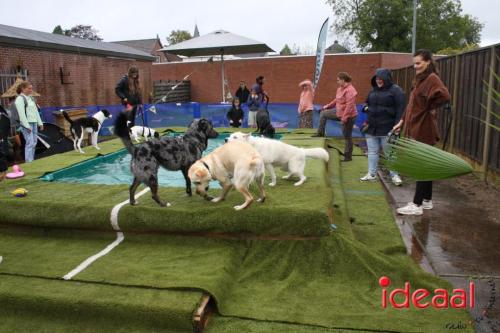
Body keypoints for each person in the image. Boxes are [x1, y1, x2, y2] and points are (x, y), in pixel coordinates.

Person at [393, 49, 451, 216]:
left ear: (428, 62)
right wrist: (402, 121)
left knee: (421, 166)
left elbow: (445, 96)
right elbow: (412, 104)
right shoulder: (420, 80)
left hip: (424, 129)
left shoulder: (432, 78)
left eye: (418, 63)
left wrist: (429, 108)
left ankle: (416, 205)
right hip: (415, 127)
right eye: (414, 64)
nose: (415, 66)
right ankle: (426, 200)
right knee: (425, 165)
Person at [360, 68, 405, 185]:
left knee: (390, 154)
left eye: (381, 78)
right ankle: (371, 174)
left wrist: (397, 125)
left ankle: (394, 175)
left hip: (388, 128)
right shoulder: (372, 91)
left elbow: (401, 110)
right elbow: (366, 103)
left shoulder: (396, 91)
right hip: (372, 128)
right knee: (372, 152)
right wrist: (365, 108)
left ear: (387, 78)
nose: (378, 80)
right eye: (377, 78)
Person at [312, 72, 358, 162]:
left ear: (343, 80)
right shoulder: (340, 89)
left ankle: (348, 157)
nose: (337, 82)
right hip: (338, 112)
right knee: (324, 113)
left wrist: (344, 117)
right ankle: (320, 133)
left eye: (338, 80)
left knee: (347, 136)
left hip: (349, 116)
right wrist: (326, 106)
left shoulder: (350, 90)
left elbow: (350, 105)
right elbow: (336, 100)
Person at [15, 81, 43, 163]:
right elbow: (21, 114)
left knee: (34, 142)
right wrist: (27, 126)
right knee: (29, 143)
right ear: (23, 89)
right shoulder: (19, 99)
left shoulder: (31, 98)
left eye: (31, 88)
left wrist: (40, 123)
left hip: (34, 123)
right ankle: (28, 161)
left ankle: (32, 160)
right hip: (26, 124)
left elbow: (36, 111)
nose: (31, 90)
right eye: (29, 88)